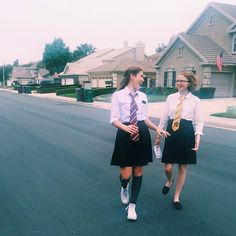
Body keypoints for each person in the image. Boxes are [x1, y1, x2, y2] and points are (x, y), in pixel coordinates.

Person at [110, 67, 169, 221]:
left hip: (141, 133)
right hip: (125, 133)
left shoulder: (142, 96)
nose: (143, 79)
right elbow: (114, 119)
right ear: (132, 76)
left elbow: (144, 118)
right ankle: (124, 187)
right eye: (141, 76)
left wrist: (157, 128)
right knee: (126, 174)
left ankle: (132, 206)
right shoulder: (118, 95)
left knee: (138, 172)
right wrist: (126, 128)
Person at [157, 71, 204, 210]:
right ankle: (169, 180)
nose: (179, 83)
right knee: (168, 167)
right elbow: (164, 118)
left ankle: (176, 197)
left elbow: (199, 122)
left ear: (190, 83)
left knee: (183, 167)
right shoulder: (171, 98)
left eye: (182, 81)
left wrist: (197, 139)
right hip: (172, 133)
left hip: (187, 133)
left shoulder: (195, 100)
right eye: (177, 80)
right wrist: (158, 136)